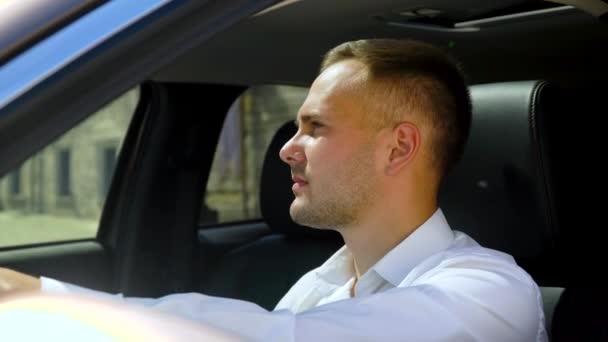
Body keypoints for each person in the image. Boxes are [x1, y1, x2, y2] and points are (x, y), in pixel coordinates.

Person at [0, 39, 547, 341]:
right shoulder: (320, 286)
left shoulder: (490, 294)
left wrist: (39, 299)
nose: (287, 148)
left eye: (316, 128)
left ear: (399, 148)